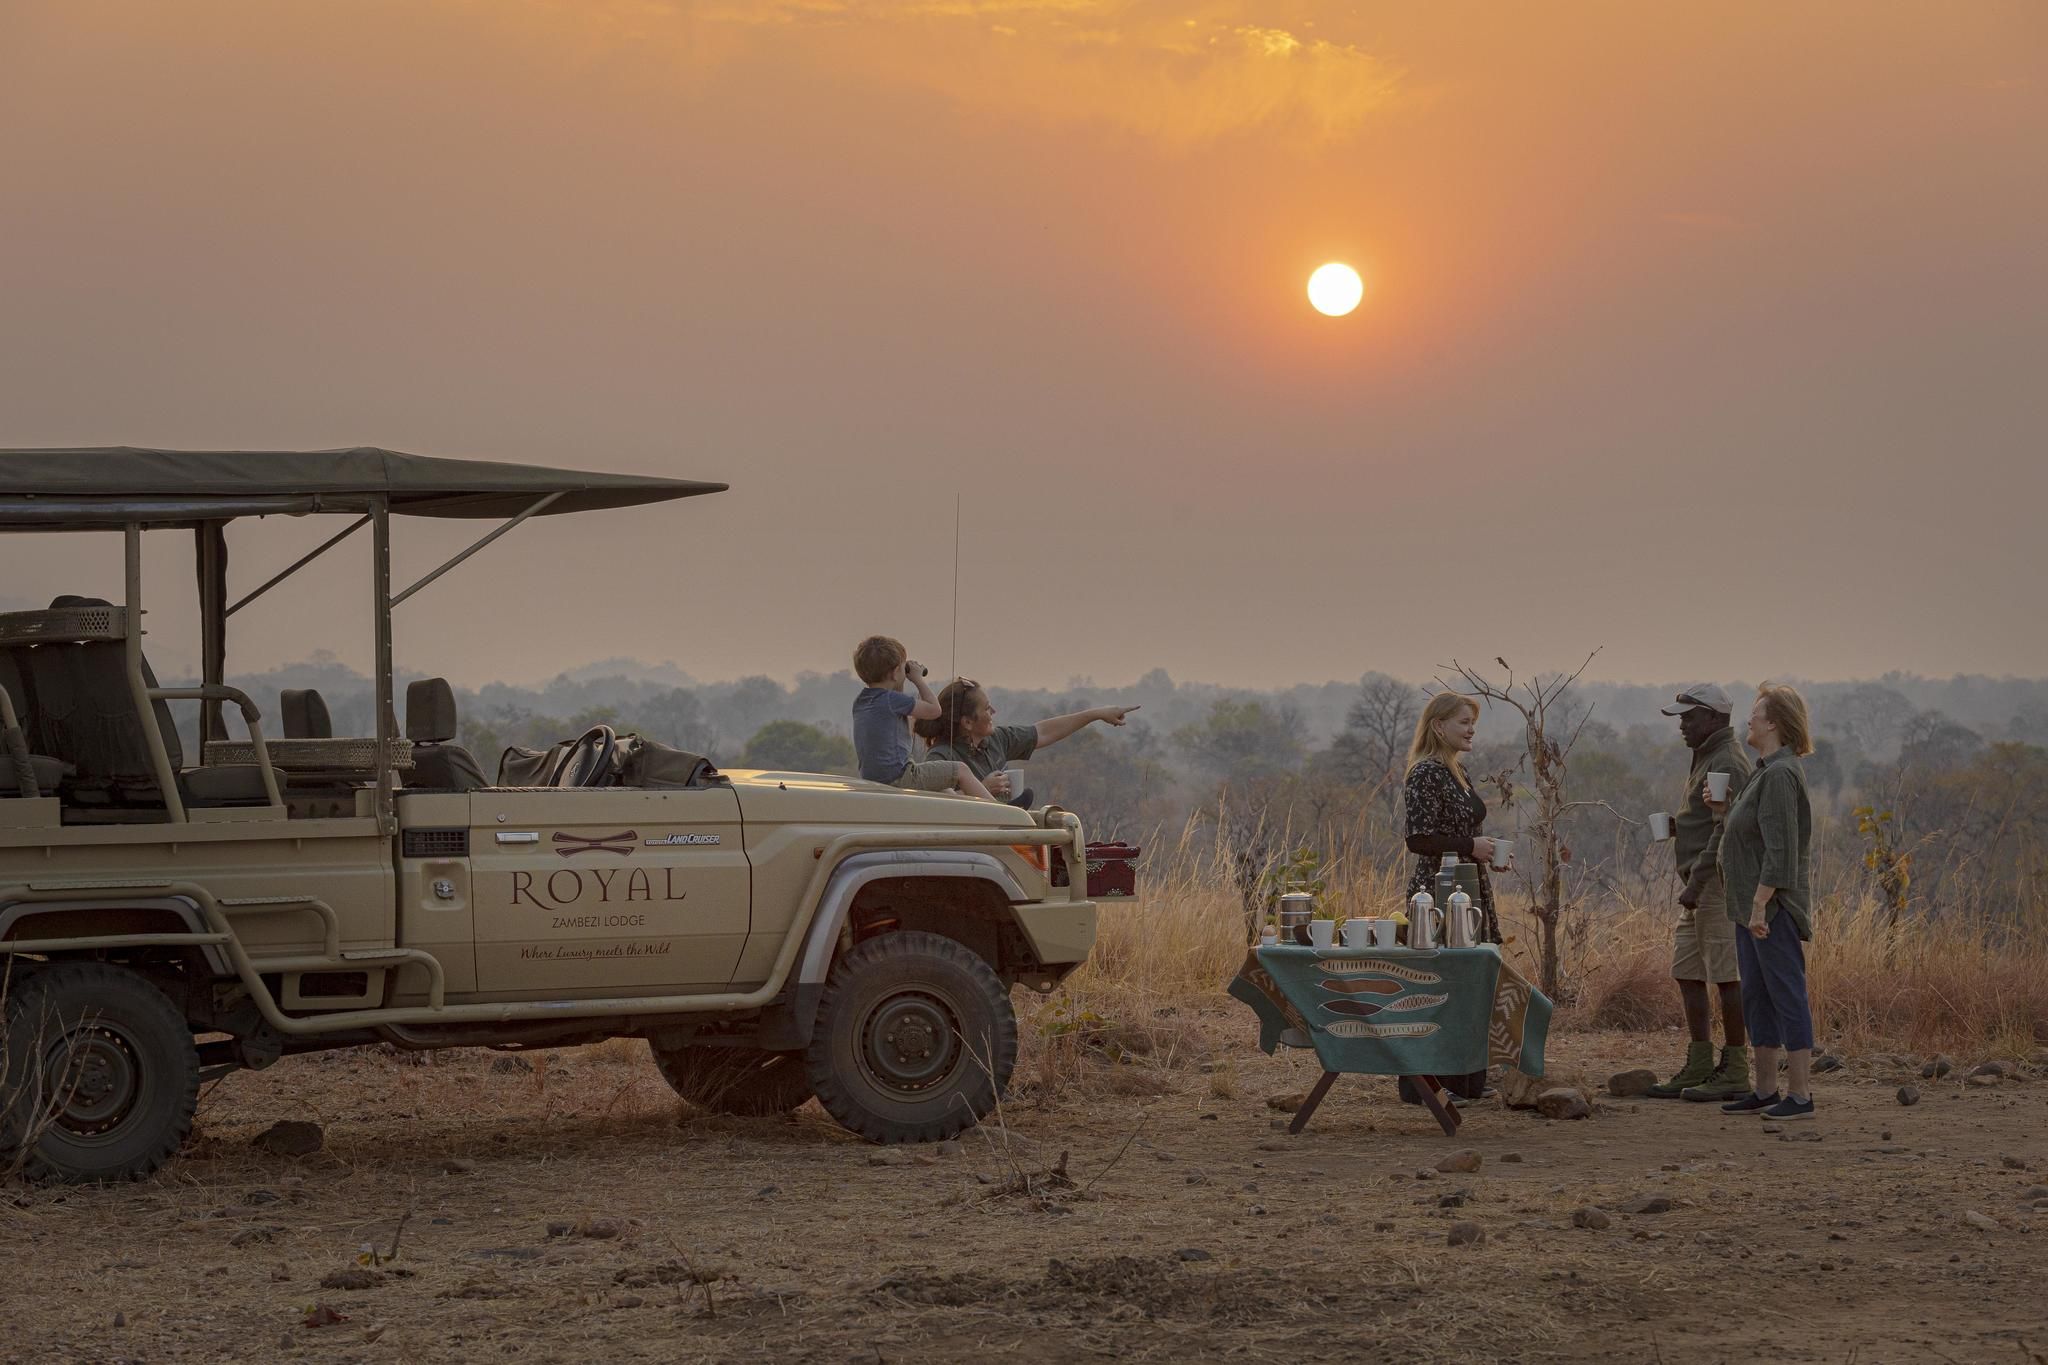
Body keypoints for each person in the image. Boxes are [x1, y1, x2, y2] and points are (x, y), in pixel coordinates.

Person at [1706, 683, 1818, 1121]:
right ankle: (1767, 1089)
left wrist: (1759, 906)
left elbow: (1781, 852)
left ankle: (1802, 1095)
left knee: (1786, 993)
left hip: (1769, 910)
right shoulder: (1765, 771)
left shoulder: (1780, 774)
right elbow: (1751, 835)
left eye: (1755, 714)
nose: (1748, 720)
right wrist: (1722, 811)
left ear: (1773, 723)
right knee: (1758, 995)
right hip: (1750, 907)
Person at [1645, 684, 1755, 1102]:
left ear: (1713, 718)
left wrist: (1696, 881)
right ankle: (1700, 1062)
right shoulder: (1709, 755)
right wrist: (1680, 827)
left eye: (1688, 718)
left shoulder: (1726, 760)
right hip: (1700, 881)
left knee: (1727, 975)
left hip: (1715, 884)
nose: (1682, 726)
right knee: (1687, 970)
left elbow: (1726, 828)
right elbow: (1710, 819)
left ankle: (1734, 1066)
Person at [915, 678, 1137, 803]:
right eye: (986, 708)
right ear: (967, 722)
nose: (994, 711)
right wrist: (981, 789)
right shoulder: (940, 756)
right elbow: (935, 805)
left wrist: (1096, 714)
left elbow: (1043, 732)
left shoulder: (997, 740)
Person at [1402, 690, 1502, 944]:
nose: (1471, 730)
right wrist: (1471, 846)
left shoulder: (1457, 771)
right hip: (1439, 892)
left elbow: (1458, 830)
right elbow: (1419, 840)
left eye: (1473, 724)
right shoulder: (1425, 773)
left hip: (1468, 885)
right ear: (1439, 726)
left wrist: (1488, 850)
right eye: (1464, 722)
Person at [850, 636, 992, 800]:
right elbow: (934, 710)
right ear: (895, 673)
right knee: (961, 770)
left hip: (873, 779)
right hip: (899, 777)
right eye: (904, 668)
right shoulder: (891, 700)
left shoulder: (862, 701)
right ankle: (1003, 813)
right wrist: (918, 679)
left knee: (943, 788)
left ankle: (970, 812)